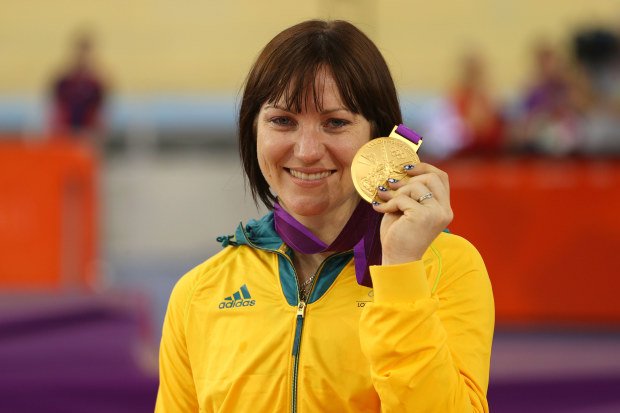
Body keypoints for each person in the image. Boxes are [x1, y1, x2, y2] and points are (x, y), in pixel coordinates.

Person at [155, 19, 494, 413]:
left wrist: (401, 272)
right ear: (253, 131)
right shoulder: (199, 293)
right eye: (282, 120)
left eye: (335, 123)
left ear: (379, 137)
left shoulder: (446, 268)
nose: (308, 150)